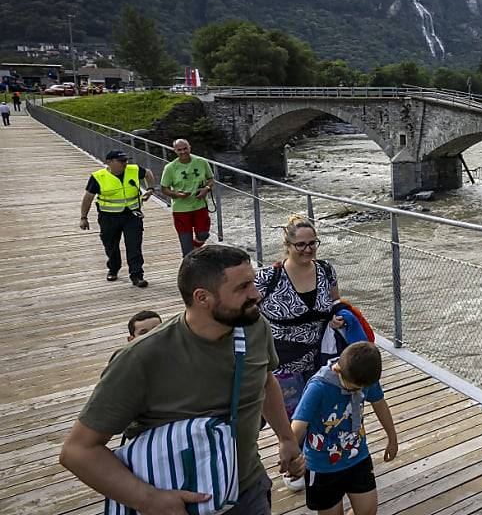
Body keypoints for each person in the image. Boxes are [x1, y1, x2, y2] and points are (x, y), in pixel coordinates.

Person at [60, 244, 304, 515]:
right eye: (242, 287)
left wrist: (286, 438)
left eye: (253, 283)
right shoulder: (143, 357)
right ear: (202, 298)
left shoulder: (255, 328)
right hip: (179, 503)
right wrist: (148, 499)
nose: (256, 295)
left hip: (248, 490)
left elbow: (265, 380)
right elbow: (77, 451)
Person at [255, 214, 362, 489]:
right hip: (281, 360)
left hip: (321, 355)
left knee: (318, 411)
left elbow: (336, 302)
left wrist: (338, 317)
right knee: (291, 417)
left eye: (312, 243)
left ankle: (313, 460)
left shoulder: (326, 270)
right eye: (300, 244)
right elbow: (245, 310)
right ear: (287, 245)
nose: (307, 250)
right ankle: (292, 466)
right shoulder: (269, 276)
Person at [291, 342, 398, 515]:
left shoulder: (364, 377)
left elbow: (379, 403)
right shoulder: (318, 387)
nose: (360, 391)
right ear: (337, 370)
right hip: (322, 465)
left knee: (368, 510)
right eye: (356, 388)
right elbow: (298, 426)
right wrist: (291, 459)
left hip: (357, 455)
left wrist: (392, 438)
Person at [80, 150, 156, 287]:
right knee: (111, 246)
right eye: (121, 161)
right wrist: (83, 217)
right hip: (108, 218)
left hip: (132, 215)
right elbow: (88, 198)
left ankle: (137, 275)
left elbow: (148, 173)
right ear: (109, 162)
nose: (125, 164)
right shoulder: (98, 177)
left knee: (134, 245)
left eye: (126, 160)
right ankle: (113, 268)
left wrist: (150, 189)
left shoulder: (134, 170)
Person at [160, 139, 215, 257]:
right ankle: (189, 266)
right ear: (175, 151)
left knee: (203, 234)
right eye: (179, 150)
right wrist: (176, 194)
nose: (183, 152)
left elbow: (211, 179)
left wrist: (206, 189)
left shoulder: (202, 162)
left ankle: (195, 247)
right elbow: (164, 189)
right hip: (181, 209)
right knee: (186, 247)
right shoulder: (170, 168)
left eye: (185, 148)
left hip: (200, 205)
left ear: (190, 147)